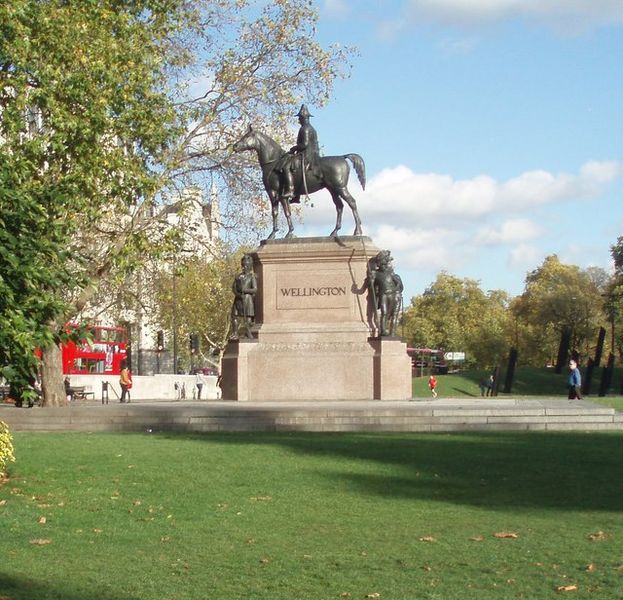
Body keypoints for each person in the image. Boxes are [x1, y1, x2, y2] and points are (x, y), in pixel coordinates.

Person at [277, 104, 321, 201]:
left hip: (306, 155)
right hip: (312, 154)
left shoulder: (305, 129)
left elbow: (304, 144)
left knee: (286, 167)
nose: (298, 120)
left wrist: (294, 148)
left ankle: (291, 190)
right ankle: (297, 195)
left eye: (299, 118)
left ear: (303, 118)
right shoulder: (312, 129)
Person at [369, 250, 403, 336]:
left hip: (392, 294)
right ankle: (383, 331)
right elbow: (371, 286)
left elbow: (399, 284)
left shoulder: (391, 273)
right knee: (384, 312)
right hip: (383, 294)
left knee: (393, 314)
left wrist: (395, 290)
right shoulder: (375, 273)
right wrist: (371, 279)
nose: (387, 264)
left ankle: (392, 333)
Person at [231, 254, 257, 339]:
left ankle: (248, 332)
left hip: (247, 299)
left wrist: (245, 291)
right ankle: (235, 333)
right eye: (243, 265)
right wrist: (237, 294)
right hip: (238, 299)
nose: (244, 267)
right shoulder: (238, 276)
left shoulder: (251, 276)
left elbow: (255, 289)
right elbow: (233, 288)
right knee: (234, 316)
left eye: (246, 265)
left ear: (249, 266)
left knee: (248, 318)